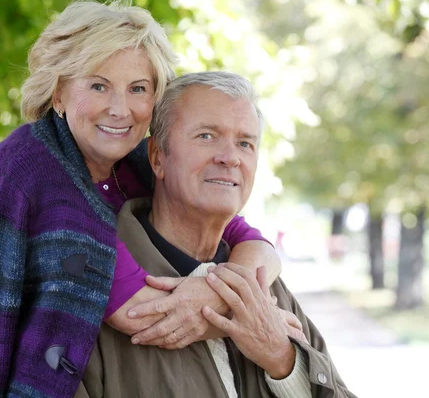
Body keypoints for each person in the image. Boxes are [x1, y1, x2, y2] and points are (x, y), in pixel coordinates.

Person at [0, 3, 281, 398]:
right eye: (98, 85)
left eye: (138, 88)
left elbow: (248, 239)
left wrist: (225, 288)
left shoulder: (136, 161)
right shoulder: (31, 177)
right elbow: (144, 315)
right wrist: (250, 314)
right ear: (59, 93)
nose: (119, 109)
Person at [77, 72, 357, 398]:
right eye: (207, 136)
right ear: (156, 156)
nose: (230, 157)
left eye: (245, 143)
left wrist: (282, 360)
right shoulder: (96, 287)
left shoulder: (267, 284)